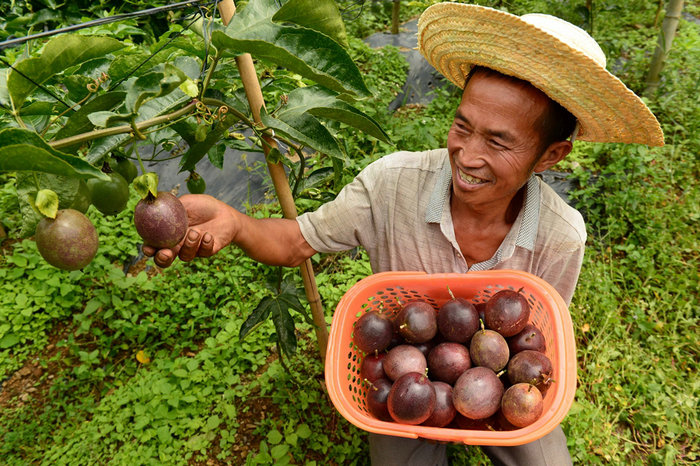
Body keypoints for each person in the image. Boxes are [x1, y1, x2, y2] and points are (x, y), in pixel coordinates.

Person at [144, 3, 663, 465]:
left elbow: (536, 342)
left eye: (499, 142)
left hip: (497, 382)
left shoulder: (561, 235)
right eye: (463, 126)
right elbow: (298, 241)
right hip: (407, 375)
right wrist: (235, 223)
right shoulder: (391, 183)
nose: (469, 155)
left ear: (550, 156)